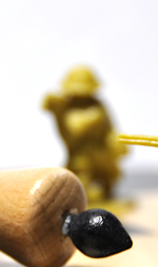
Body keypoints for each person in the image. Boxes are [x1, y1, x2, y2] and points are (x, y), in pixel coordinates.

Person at [43, 65, 128, 200]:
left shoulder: (98, 105)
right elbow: (49, 105)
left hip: (100, 151)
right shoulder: (64, 106)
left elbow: (110, 127)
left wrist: (116, 141)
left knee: (108, 171)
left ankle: (105, 190)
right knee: (81, 171)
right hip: (79, 153)